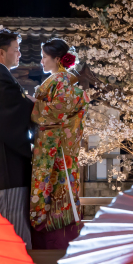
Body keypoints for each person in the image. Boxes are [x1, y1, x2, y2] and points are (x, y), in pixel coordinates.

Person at [0, 29, 36, 248]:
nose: (19, 54)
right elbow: (11, 115)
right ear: (2, 53)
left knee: (5, 230)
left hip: (3, 167)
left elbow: (15, 107)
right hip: (5, 168)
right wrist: (33, 105)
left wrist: (26, 102)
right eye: (16, 50)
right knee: (12, 231)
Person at [29, 39, 89, 249]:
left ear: (56, 59)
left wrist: (34, 104)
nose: (42, 61)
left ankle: (54, 241)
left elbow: (56, 112)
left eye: (44, 57)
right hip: (59, 148)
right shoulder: (61, 81)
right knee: (60, 191)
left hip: (54, 151)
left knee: (54, 191)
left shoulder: (61, 81)